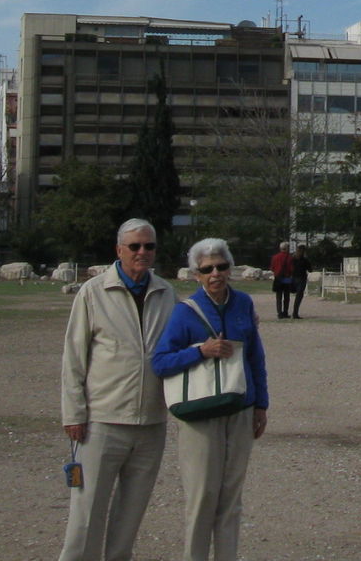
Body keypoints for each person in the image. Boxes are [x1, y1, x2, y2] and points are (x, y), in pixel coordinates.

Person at [58, 218, 176, 561]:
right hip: (102, 422)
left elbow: (186, 343)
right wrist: (74, 413)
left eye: (149, 246)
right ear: (119, 250)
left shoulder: (167, 293)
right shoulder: (93, 293)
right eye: (135, 246)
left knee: (129, 520)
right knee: (85, 518)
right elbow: (73, 358)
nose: (142, 252)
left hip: (151, 423)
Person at [153, 239, 269, 561]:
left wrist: (261, 404)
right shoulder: (184, 313)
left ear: (230, 268)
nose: (215, 273)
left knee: (231, 497)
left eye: (221, 266)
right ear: (196, 275)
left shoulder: (244, 304)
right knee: (202, 496)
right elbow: (160, 362)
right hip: (200, 415)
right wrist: (200, 351)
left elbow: (256, 356)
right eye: (207, 269)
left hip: (241, 409)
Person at [269, 240, 293, 319]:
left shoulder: (275, 257)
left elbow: (272, 268)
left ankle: (279, 313)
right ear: (287, 248)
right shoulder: (290, 257)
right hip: (287, 278)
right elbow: (291, 268)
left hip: (278, 278)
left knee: (278, 296)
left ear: (280, 248)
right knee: (286, 296)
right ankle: (285, 312)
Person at [289, 245, 311, 320]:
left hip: (293, 278)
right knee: (299, 296)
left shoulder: (293, 259)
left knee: (292, 295)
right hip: (301, 279)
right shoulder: (304, 260)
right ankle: (295, 313)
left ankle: (289, 312)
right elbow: (310, 269)